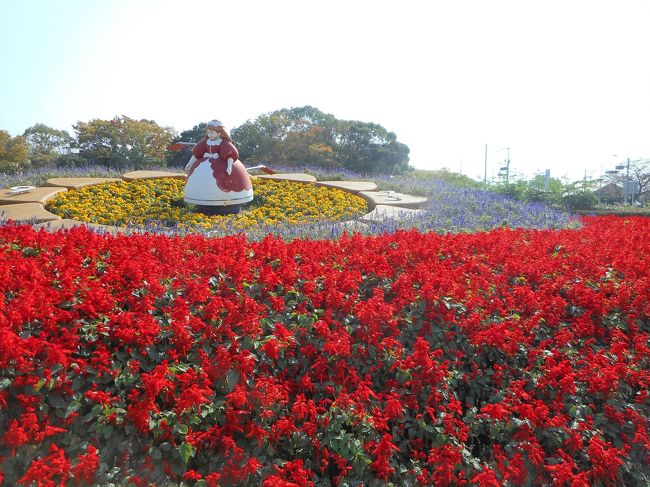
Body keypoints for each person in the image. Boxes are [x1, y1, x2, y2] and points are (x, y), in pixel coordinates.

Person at [183, 120, 253, 214]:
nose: (210, 134)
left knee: (223, 184)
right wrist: (190, 163)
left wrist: (229, 166)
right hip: (204, 167)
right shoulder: (205, 142)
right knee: (201, 184)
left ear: (219, 133)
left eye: (212, 132)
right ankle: (203, 203)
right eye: (208, 132)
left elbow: (230, 154)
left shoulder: (223, 143)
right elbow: (197, 153)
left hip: (220, 167)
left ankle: (227, 203)